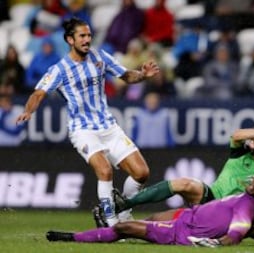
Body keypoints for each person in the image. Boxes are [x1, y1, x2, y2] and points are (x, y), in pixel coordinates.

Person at [15, 17, 160, 227]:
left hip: (109, 127)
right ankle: (111, 224)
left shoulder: (99, 57)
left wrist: (143, 75)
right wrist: (28, 112)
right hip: (83, 131)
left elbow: (126, 76)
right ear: (70, 40)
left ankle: (124, 212)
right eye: (82, 36)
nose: (87, 40)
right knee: (105, 171)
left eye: (89, 35)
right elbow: (38, 94)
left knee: (141, 173)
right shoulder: (60, 69)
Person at [103, 124, 254, 245]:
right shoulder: (241, 155)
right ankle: (123, 206)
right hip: (210, 198)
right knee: (187, 183)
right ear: (253, 143)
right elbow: (237, 134)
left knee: (158, 220)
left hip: (223, 216)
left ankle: (119, 228)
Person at [46, 171, 254, 247]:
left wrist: (217, 243)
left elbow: (234, 234)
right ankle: (132, 224)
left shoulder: (247, 205)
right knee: (149, 221)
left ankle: (70, 237)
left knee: (125, 227)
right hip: (188, 217)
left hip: (183, 231)